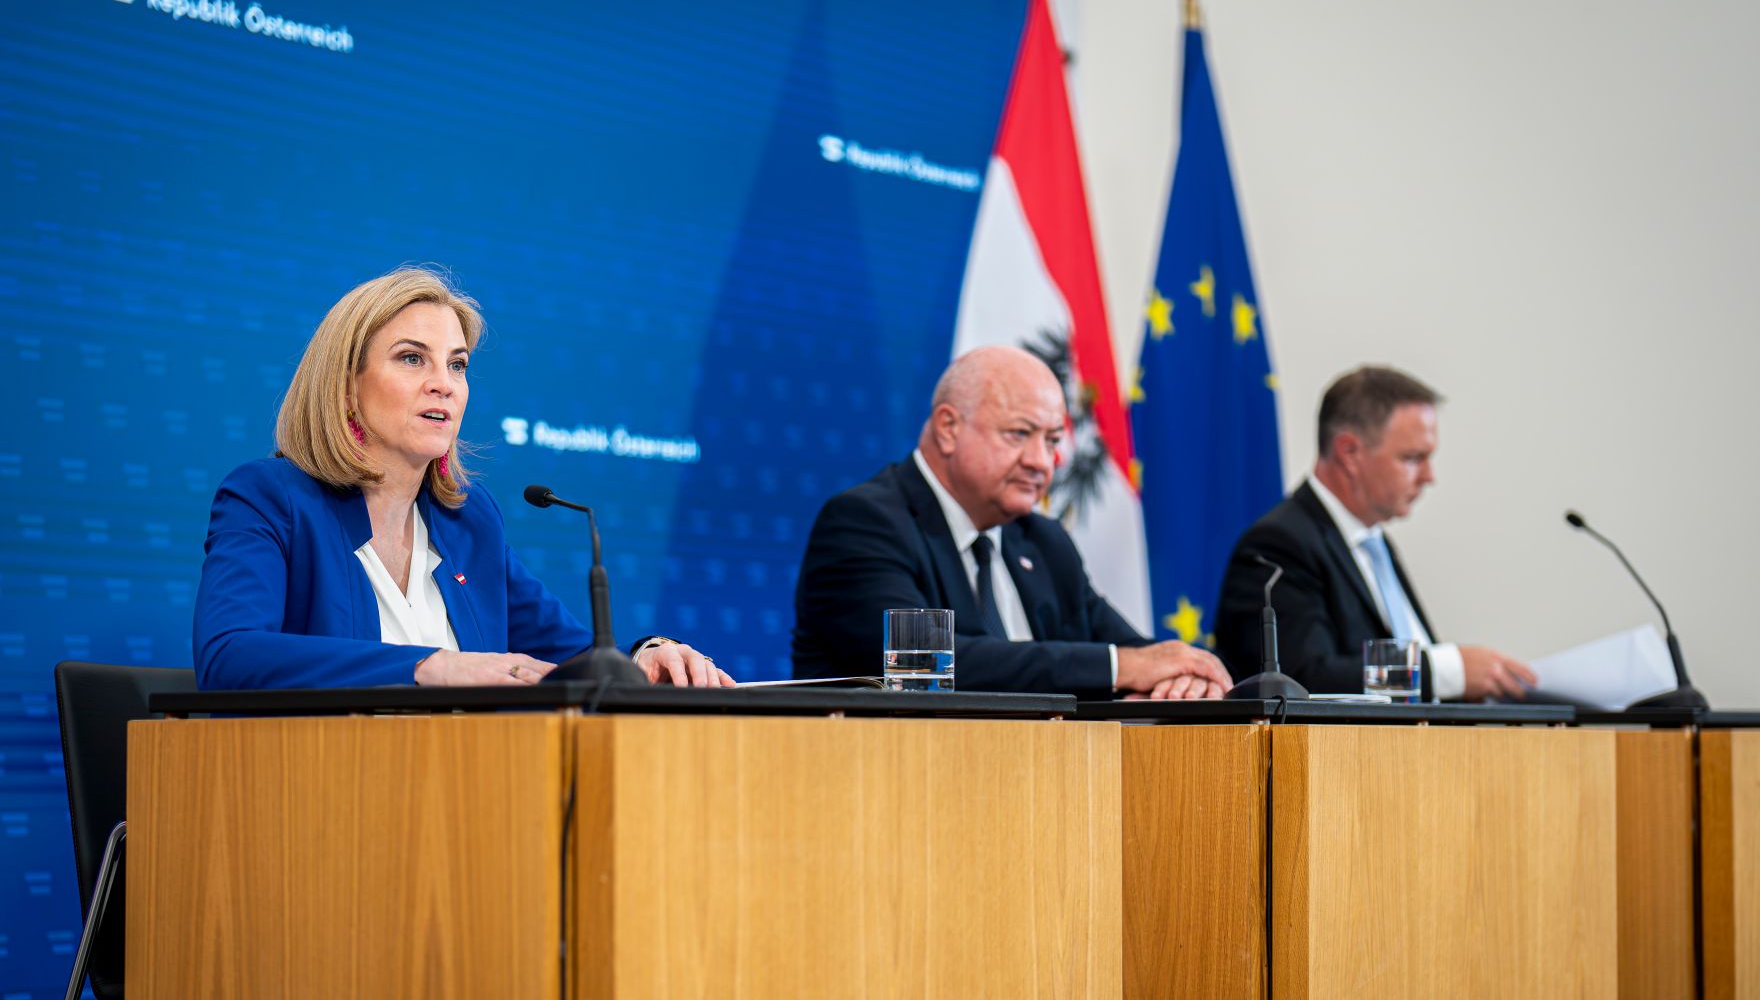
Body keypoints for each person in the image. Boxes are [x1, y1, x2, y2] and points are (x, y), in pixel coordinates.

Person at [192, 266, 732, 690]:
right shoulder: (270, 498)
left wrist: (645, 658)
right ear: (347, 386)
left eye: (457, 365)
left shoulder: (466, 520)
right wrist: (432, 667)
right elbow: (230, 655)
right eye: (411, 359)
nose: (443, 384)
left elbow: (568, 658)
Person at [792, 345, 1230, 699]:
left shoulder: (1042, 540)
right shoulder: (865, 523)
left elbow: (1141, 654)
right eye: (1019, 435)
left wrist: (1184, 678)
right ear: (948, 428)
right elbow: (924, 666)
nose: (1043, 462)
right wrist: (1122, 669)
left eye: (1053, 440)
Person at [1215, 365, 1536, 700]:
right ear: (1350, 453)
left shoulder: (1374, 545)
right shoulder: (1277, 545)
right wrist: (1445, 672)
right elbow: (1302, 679)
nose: (1429, 476)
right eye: (1413, 458)